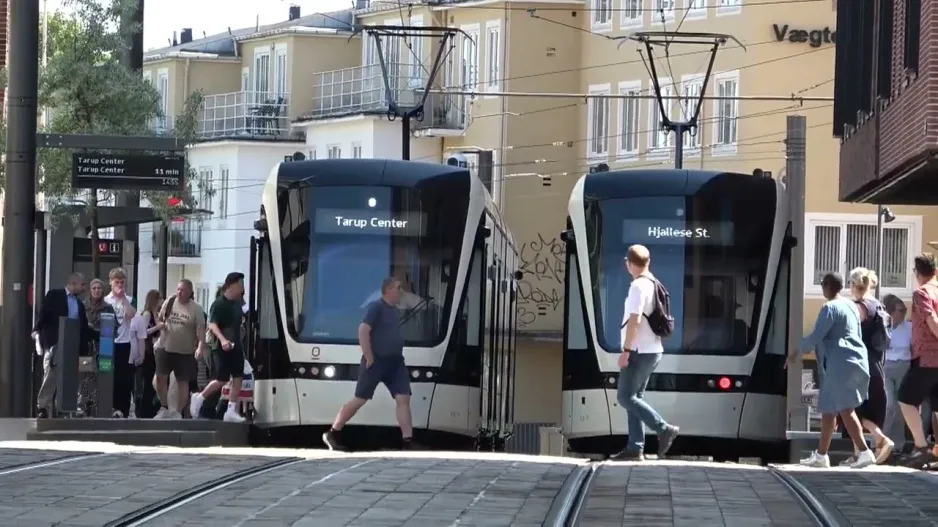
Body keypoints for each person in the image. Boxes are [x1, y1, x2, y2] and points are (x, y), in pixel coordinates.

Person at [789, 272, 875, 468]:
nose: (821, 288)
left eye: (822, 284)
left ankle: (864, 451)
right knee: (829, 409)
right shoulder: (851, 306)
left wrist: (796, 352)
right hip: (855, 360)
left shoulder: (829, 307)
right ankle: (821, 456)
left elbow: (817, 335)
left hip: (840, 363)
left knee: (844, 408)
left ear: (827, 286)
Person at [322, 276, 416, 451]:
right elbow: (363, 330)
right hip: (376, 361)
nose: (401, 291)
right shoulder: (376, 307)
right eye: (398, 288)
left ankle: (408, 440)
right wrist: (369, 356)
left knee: (403, 398)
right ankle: (333, 432)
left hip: (395, 362)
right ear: (388, 290)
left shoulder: (393, 310)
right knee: (360, 398)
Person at [611, 244, 679, 461]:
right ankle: (635, 447)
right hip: (653, 350)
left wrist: (626, 350)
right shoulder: (654, 283)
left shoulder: (638, 286)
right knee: (635, 397)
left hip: (640, 350)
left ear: (629, 264)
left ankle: (663, 429)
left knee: (625, 396)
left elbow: (635, 320)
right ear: (648, 262)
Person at [845, 268, 894, 464]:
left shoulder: (859, 307)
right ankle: (858, 454)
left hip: (859, 365)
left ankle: (881, 439)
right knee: (861, 408)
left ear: (852, 285)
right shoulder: (879, 306)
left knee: (851, 410)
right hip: (876, 364)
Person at [896, 253, 938, 467]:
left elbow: (932, 321)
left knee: (905, 397)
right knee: (936, 404)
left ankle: (922, 448)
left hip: (927, 357)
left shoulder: (922, 293)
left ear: (916, 273)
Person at [32, 272, 92, 418]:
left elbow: (83, 326)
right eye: (82, 284)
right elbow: (44, 314)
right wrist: (37, 330)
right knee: (50, 375)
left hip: (73, 345)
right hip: (55, 342)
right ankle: (44, 407)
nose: (84, 288)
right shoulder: (54, 295)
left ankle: (66, 408)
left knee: (71, 377)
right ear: (73, 283)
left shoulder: (79, 305)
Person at [190, 272, 247, 423]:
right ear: (231, 285)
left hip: (236, 346)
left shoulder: (237, 304)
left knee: (238, 377)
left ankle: (230, 410)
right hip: (221, 347)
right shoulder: (219, 304)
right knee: (221, 379)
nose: (242, 288)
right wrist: (222, 340)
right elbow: (213, 324)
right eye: (240, 284)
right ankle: (199, 397)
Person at [153, 280, 206, 419]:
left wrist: (201, 346)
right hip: (165, 347)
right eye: (178, 289)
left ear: (190, 292)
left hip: (185, 351)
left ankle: (177, 411)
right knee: (160, 378)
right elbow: (159, 319)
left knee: (183, 382)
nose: (179, 293)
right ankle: (164, 407)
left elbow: (201, 329)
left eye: (182, 290)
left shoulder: (196, 309)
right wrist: (161, 325)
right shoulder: (170, 301)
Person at [77, 278, 113, 417]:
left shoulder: (107, 307)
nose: (97, 290)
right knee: (85, 375)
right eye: (94, 288)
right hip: (86, 347)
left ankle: (98, 404)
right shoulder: (83, 306)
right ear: (90, 290)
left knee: (101, 376)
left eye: (99, 288)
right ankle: (83, 403)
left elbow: (112, 325)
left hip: (102, 347)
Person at [104, 267, 136, 418]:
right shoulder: (106, 300)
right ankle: (110, 407)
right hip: (110, 343)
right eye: (117, 282)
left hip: (125, 342)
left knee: (125, 377)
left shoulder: (129, 300)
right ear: (111, 283)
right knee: (111, 376)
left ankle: (123, 408)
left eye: (122, 282)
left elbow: (130, 315)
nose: (120, 285)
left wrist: (122, 299)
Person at [882, 294, 913, 448]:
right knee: (888, 405)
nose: (904, 313)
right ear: (891, 312)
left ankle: (898, 445)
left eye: (905, 310)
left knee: (901, 408)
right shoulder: (884, 326)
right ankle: (882, 442)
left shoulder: (910, 328)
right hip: (886, 367)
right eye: (901, 310)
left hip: (903, 366)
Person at [130, 289, 164, 419]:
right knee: (147, 382)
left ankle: (150, 409)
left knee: (152, 382)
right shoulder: (147, 314)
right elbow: (143, 332)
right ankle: (143, 410)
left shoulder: (156, 314)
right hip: (147, 352)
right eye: (159, 298)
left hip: (154, 351)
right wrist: (157, 327)